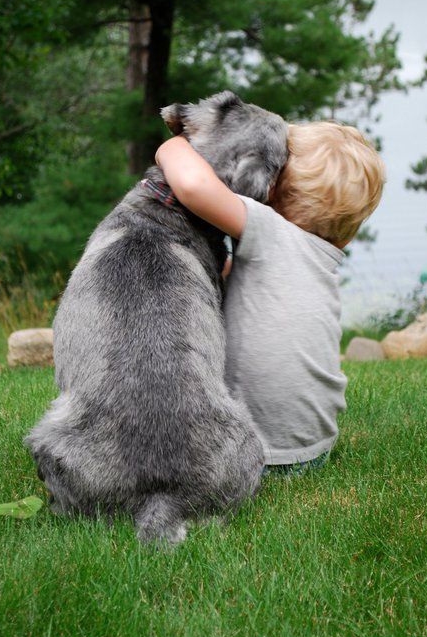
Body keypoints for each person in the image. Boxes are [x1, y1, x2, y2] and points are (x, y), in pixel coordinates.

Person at [155, 121, 386, 476]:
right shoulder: (324, 258)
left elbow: (192, 185)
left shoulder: (270, 229)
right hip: (313, 451)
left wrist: (172, 147)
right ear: (349, 233)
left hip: (252, 455)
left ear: (273, 188)